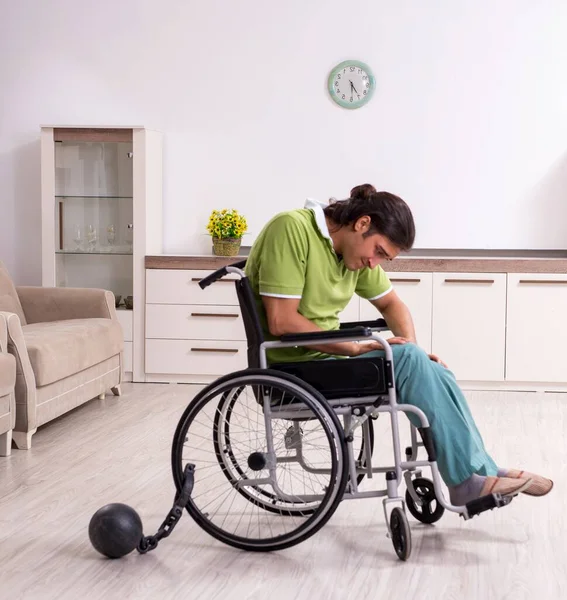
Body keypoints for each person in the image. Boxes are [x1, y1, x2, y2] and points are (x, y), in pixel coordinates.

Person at [245, 183, 553, 505]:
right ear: (362, 224)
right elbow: (282, 320)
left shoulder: (353, 252)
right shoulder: (292, 229)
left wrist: (415, 354)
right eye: (378, 251)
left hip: (324, 357)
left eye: (384, 258)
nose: (374, 262)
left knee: (435, 370)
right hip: (292, 368)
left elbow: (393, 305)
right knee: (409, 360)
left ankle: (481, 471)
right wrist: (353, 348)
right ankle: (468, 480)